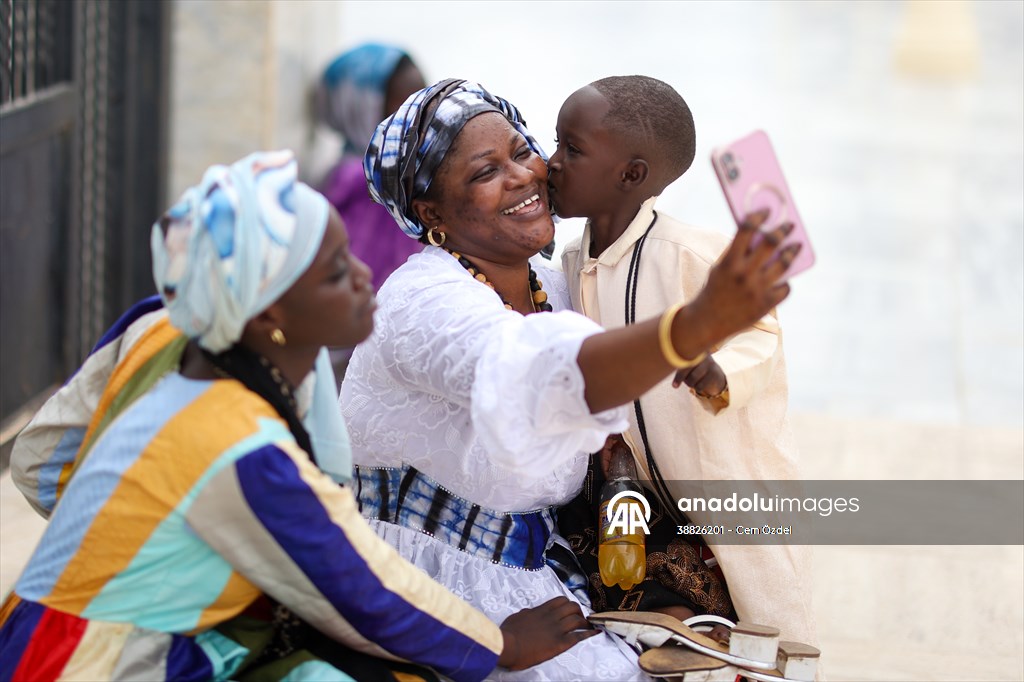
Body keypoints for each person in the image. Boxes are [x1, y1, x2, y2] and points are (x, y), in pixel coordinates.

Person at [1, 151, 597, 682]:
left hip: (33, 627)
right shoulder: (243, 448)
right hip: (105, 661)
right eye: (337, 270)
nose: (365, 273)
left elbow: (37, 460)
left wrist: (141, 536)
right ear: (268, 318)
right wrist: (504, 642)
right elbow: (360, 589)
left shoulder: (163, 324)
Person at [341, 79, 800, 679]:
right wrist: (691, 326)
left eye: (521, 150)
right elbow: (547, 374)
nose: (527, 175)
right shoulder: (423, 302)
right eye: (486, 172)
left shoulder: (553, 283)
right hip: (435, 592)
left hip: (548, 576)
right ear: (431, 214)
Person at [549, 76, 818, 648]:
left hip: (711, 478)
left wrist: (720, 373)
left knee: (763, 614)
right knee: (648, 623)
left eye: (571, 150)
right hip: (632, 490)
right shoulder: (572, 259)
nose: (551, 163)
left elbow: (761, 333)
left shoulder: (689, 253)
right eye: (556, 143)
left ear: (631, 175)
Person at [317, 43, 427, 293]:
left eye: (421, 100)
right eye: (401, 105)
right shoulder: (374, 184)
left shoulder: (343, 179)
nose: (416, 118)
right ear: (359, 107)